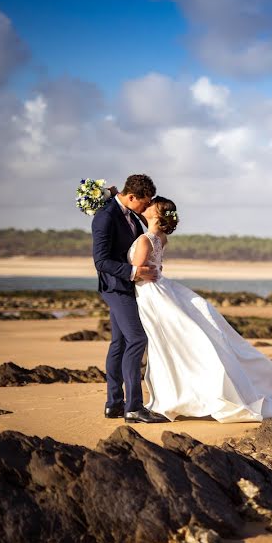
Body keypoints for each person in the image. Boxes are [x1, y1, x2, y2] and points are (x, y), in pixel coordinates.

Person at [127, 196, 272, 423]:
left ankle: (176, 397)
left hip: (151, 293)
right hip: (162, 288)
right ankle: (179, 396)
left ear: (156, 214)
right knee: (173, 342)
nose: (145, 207)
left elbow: (139, 271)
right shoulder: (161, 239)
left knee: (165, 345)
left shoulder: (146, 240)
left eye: (150, 206)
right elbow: (158, 267)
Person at [91, 174, 167, 423]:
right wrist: (136, 272)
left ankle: (114, 404)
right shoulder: (105, 217)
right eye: (144, 203)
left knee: (120, 343)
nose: (146, 208)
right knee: (137, 339)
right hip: (115, 287)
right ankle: (133, 407)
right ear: (132, 197)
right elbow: (100, 261)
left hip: (129, 287)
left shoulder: (129, 210)